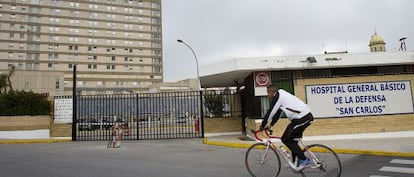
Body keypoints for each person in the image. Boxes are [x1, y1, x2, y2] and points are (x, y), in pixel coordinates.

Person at [260, 84, 314, 170]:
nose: (267, 95)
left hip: (302, 118)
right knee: (292, 140)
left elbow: (270, 112)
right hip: (300, 118)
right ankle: (295, 161)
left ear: (272, 92)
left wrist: (262, 125)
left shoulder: (278, 97)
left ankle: (304, 160)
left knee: (285, 139)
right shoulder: (281, 95)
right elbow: (277, 113)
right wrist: (271, 125)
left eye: (268, 92)